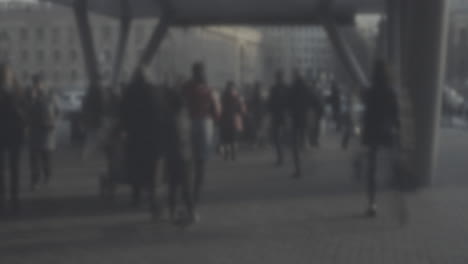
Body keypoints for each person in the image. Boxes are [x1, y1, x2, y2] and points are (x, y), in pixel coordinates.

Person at [120, 67, 163, 217]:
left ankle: (136, 196)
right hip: (152, 135)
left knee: (136, 165)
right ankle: (151, 195)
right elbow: (160, 112)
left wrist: (123, 130)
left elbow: (123, 112)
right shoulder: (154, 91)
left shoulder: (129, 91)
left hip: (135, 135)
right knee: (151, 166)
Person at [362, 59, 399, 217]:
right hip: (386, 132)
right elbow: (395, 113)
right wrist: (397, 129)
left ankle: (372, 203)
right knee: (391, 163)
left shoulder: (370, 91)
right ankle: (396, 196)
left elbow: (366, 112)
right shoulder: (390, 91)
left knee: (372, 169)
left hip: (372, 133)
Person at [183, 62, 221, 209]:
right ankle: (196, 192)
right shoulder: (208, 89)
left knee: (190, 160)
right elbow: (216, 111)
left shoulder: (187, 87)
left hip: (190, 123)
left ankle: (190, 191)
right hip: (204, 123)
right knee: (200, 161)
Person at [163, 85, 195, 225]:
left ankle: (172, 212)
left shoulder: (170, 118)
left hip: (173, 155)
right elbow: (186, 137)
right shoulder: (183, 117)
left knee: (173, 186)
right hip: (184, 155)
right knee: (185, 186)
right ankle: (191, 212)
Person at [0, 65, 26, 216]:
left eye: (8, 74)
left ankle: (14, 196)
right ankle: (2, 197)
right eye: (4, 74)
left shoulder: (18, 90)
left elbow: (24, 108)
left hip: (15, 133)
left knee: (15, 167)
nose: (6, 77)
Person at [26, 74, 58, 190]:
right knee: (34, 159)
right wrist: (33, 99)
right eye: (35, 83)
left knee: (46, 157)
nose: (37, 85)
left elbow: (57, 111)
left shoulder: (50, 96)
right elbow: (26, 112)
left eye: (39, 83)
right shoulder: (29, 96)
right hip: (34, 131)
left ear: (43, 84)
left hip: (47, 132)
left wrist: (53, 121)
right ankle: (35, 180)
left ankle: (47, 177)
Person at [288, 69, 311, 178]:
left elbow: (288, 103)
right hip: (303, 118)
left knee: (295, 146)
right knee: (302, 143)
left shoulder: (293, 88)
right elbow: (312, 101)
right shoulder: (305, 87)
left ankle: (298, 170)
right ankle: (304, 165)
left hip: (296, 119)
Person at [219, 81, 246, 161]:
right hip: (231, 119)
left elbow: (241, 108)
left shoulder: (225, 96)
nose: (231, 88)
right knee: (231, 139)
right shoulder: (235, 96)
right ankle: (231, 155)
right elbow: (241, 108)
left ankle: (229, 155)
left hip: (229, 120)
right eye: (230, 87)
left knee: (228, 139)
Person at [268, 70, 288, 166]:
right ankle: (282, 157)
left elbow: (270, 103)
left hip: (277, 115)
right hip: (284, 115)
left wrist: (269, 112)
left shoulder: (274, 88)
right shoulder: (286, 88)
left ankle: (280, 157)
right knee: (283, 137)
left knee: (277, 137)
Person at [248, 81, 266, 148]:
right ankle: (260, 143)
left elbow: (253, 104)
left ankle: (257, 143)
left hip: (257, 114)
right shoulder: (260, 94)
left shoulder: (256, 94)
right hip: (259, 114)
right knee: (259, 129)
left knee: (258, 129)